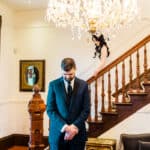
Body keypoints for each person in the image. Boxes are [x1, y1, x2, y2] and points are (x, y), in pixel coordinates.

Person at [46, 57, 90, 150]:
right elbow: (50, 110)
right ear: (61, 71)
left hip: (77, 135)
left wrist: (74, 127)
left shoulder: (84, 85)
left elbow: (86, 110)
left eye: (70, 74)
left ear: (75, 69)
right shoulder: (53, 85)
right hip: (58, 134)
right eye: (65, 74)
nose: (67, 77)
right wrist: (65, 127)